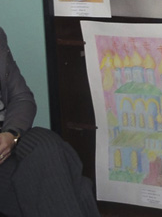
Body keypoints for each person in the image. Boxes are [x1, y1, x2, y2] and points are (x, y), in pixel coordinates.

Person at [0, 28, 100, 217]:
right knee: (63, 178)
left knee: (47, 145)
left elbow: (22, 98)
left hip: (6, 135)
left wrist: (11, 135)